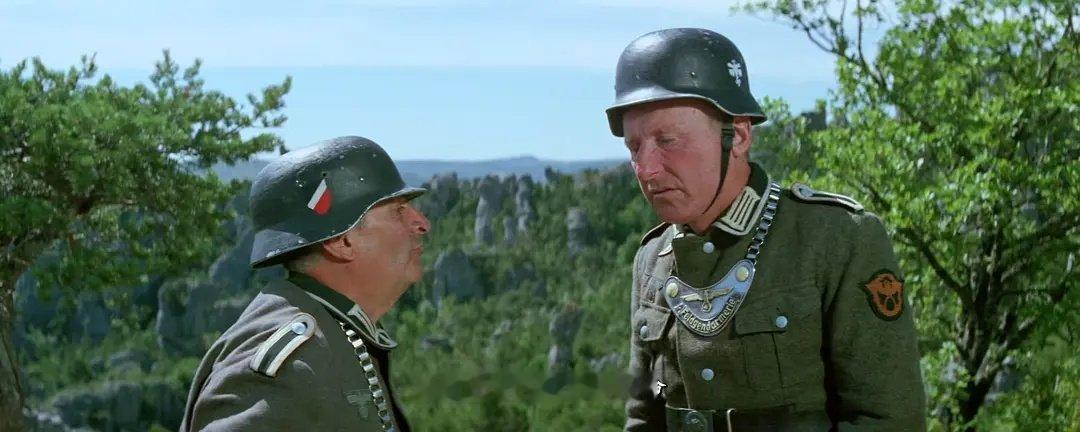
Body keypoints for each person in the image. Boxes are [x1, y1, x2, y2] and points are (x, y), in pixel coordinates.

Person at [609, 28, 926, 431]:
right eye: (635, 147)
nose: (647, 169)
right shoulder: (652, 259)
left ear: (738, 136)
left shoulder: (835, 239)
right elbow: (643, 417)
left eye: (667, 140)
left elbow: (891, 420)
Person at [180, 136, 430, 431]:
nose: (422, 223)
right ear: (342, 241)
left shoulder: (336, 331)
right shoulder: (285, 369)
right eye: (398, 211)